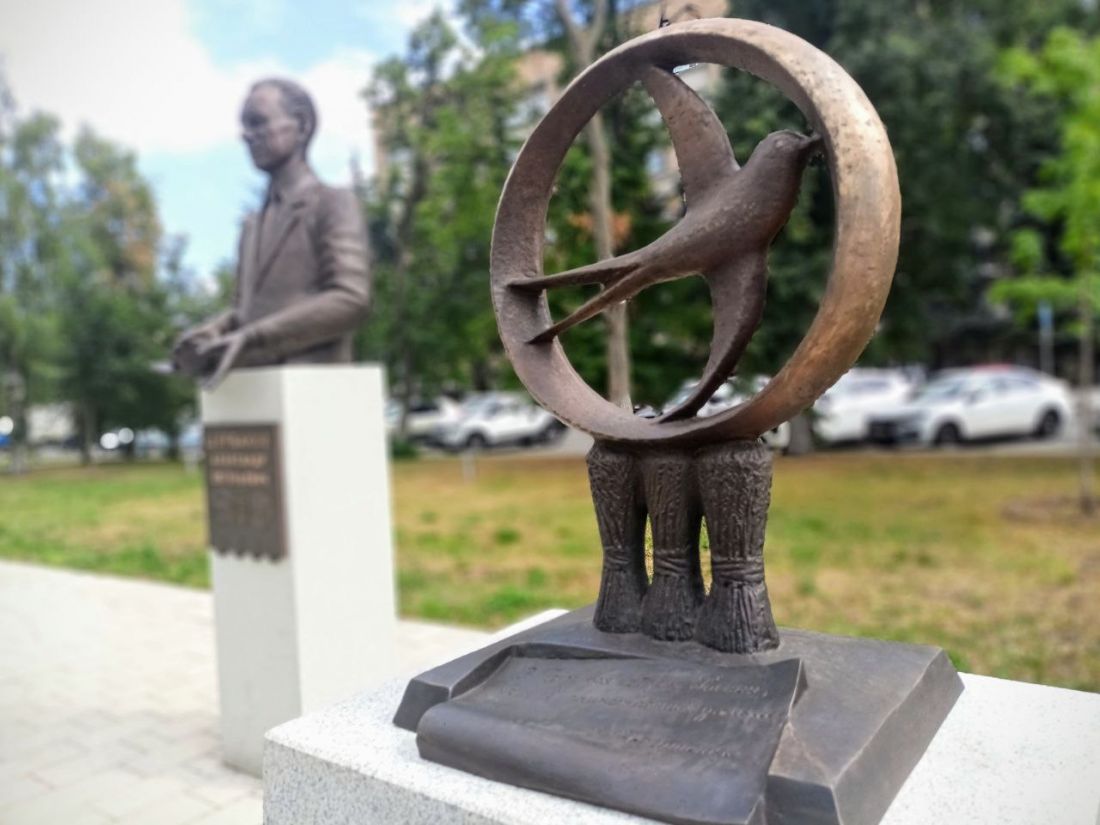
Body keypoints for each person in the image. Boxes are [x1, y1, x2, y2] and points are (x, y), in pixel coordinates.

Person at [174, 78, 370, 388]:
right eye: (244, 127)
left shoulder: (333, 203)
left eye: (258, 122)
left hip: (314, 387)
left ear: (302, 125)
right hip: (259, 390)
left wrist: (255, 338)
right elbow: (244, 311)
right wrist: (211, 334)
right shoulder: (251, 225)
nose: (246, 136)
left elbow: (351, 299)